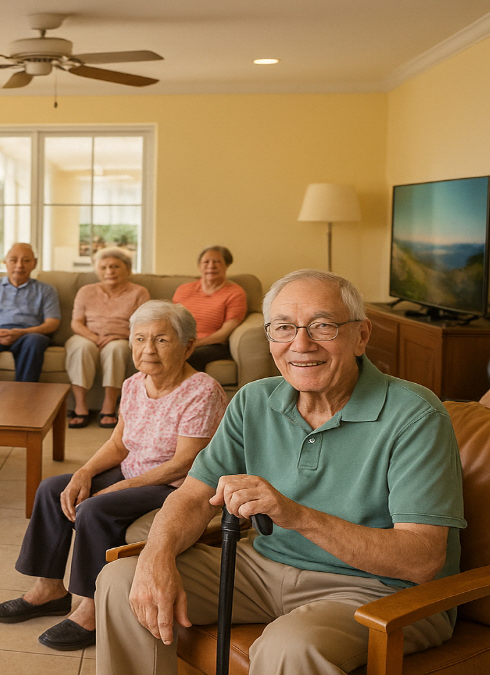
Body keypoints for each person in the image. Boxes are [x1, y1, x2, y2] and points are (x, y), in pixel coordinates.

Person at [95, 269, 465, 674]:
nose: (300, 344)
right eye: (283, 328)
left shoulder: (416, 415)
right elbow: (192, 495)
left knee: (289, 646)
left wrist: (295, 515)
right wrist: (157, 555)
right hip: (261, 568)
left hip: (376, 590)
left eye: (323, 326)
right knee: (121, 580)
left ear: (361, 336)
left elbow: (422, 560)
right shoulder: (253, 400)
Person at [0, 301, 226, 652]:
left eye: (161, 340)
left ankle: (92, 607)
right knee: (54, 487)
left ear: (188, 345)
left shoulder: (202, 390)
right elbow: (118, 444)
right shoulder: (133, 384)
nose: (148, 349)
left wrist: (119, 486)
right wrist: (84, 473)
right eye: (140, 338)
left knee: (96, 508)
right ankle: (49, 589)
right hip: (136, 470)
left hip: (178, 484)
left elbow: (183, 462)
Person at [65, 247, 150, 429]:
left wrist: (119, 335)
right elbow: (76, 323)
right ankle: (80, 406)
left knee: (116, 349)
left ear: (128, 269)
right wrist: (94, 338)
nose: (109, 271)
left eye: (115, 267)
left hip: (122, 337)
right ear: (97, 270)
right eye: (103, 267)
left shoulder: (139, 292)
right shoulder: (86, 291)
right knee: (82, 348)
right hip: (87, 336)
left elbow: (143, 325)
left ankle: (109, 407)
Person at [0, 243, 60, 382]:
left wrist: (24, 332)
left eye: (26, 260)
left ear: (35, 263)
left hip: (28, 335)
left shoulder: (46, 290)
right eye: (13, 260)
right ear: (5, 262)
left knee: (35, 340)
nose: (19, 265)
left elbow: (53, 323)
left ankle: (24, 395)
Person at [171, 246, 247, 372]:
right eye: (206, 262)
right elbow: (172, 322)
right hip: (183, 341)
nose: (211, 266)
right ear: (199, 266)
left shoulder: (235, 293)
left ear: (227, 265)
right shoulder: (184, 289)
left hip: (213, 345)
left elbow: (224, 333)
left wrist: (194, 344)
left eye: (217, 262)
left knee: (191, 356)